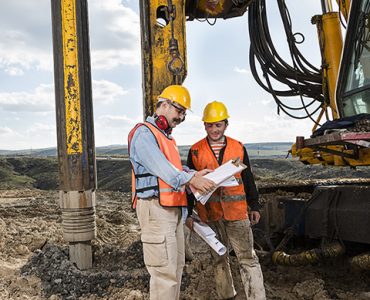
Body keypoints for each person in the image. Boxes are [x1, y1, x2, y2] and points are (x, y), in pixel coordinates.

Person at [128, 85, 215, 300]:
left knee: (175, 270)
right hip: (156, 209)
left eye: (184, 113)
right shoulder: (144, 134)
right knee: (164, 274)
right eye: (179, 111)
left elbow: (176, 169)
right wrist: (192, 179)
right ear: (164, 105)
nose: (182, 117)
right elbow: (165, 170)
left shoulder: (166, 138)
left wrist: (193, 172)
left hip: (171, 210)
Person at [186, 101, 266, 300]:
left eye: (218, 125)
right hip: (210, 214)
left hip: (237, 212)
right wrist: (188, 213)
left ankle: (257, 297)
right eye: (210, 125)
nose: (214, 129)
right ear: (205, 125)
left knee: (248, 258)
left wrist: (254, 205)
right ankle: (226, 296)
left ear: (226, 125)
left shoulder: (238, 147)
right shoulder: (195, 151)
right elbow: (189, 185)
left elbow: (248, 180)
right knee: (218, 258)